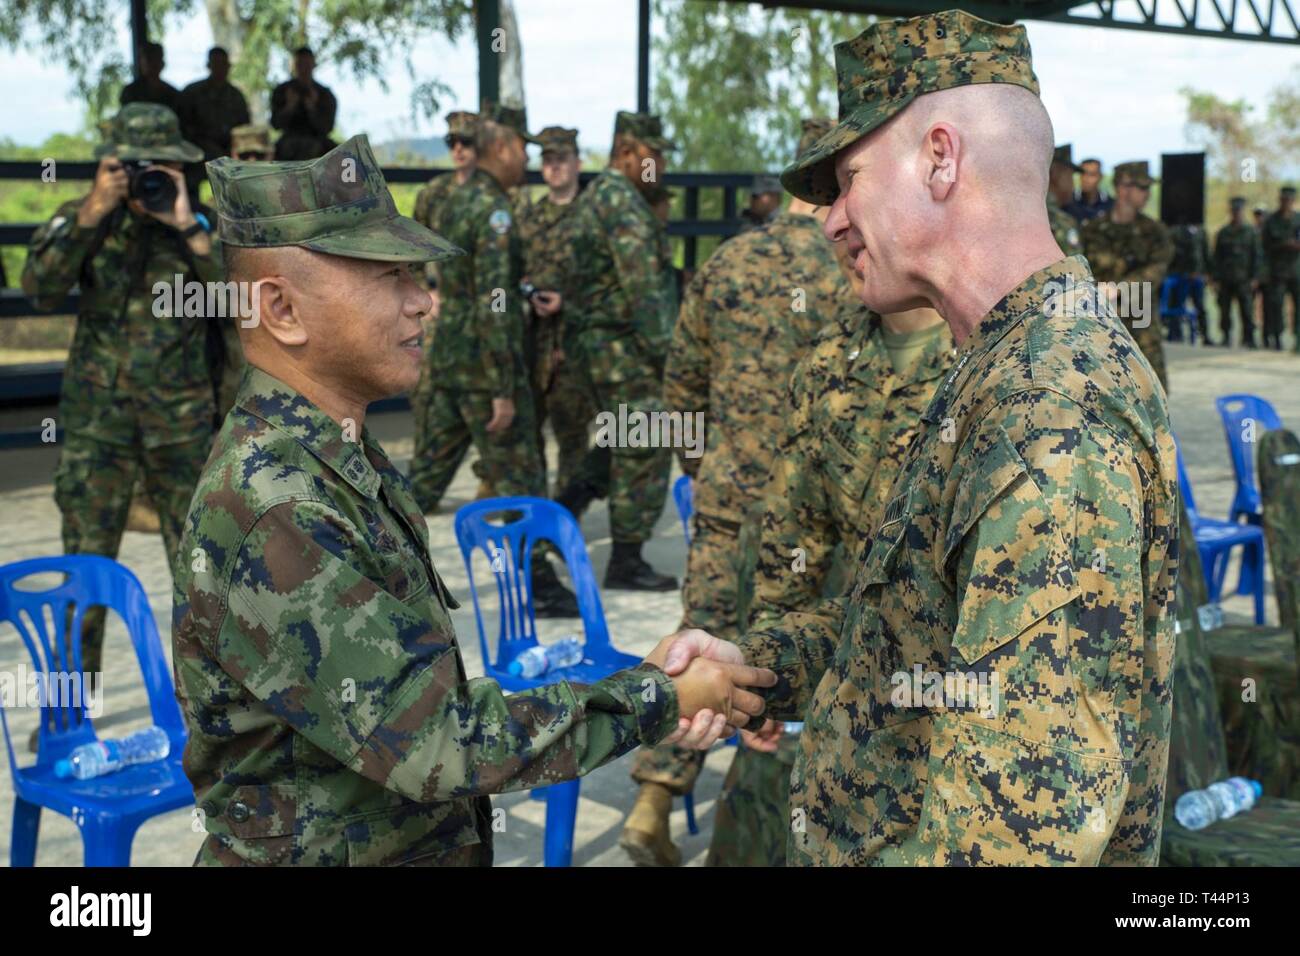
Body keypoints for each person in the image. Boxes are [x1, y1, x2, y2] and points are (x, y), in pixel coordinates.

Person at [660, 9, 1178, 867]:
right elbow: (918, 630)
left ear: (941, 158)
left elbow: (1019, 838)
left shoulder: (1051, 413)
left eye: (848, 180)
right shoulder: (999, 363)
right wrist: (755, 662)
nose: (828, 221)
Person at [175, 134, 776, 866]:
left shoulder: (330, 456)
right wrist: (654, 697)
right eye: (390, 276)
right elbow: (434, 742)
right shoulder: (276, 502)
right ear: (281, 309)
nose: (424, 302)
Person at [621, 122, 843, 866]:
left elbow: (681, 381)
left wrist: (698, 466)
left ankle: (653, 797)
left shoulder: (727, 261)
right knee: (788, 661)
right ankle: (764, 826)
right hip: (811, 513)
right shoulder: (859, 264)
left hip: (725, 495)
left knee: (701, 638)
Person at [21, 104, 222, 707]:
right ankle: (66, 710)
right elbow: (39, 288)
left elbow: (238, 306)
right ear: (111, 166)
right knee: (81, 577)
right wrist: (91, 211)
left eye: (159, 167)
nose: (147, 180)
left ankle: (213, 714)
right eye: (134, 168)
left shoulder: (197, 228)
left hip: (180, 425)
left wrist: (187, 224)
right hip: (96, 429)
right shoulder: (85, 220)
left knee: (201, 578)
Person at [404, 104, 576, 615]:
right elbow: (495, 303)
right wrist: (504, 385)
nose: (526, 157)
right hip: (486, 368)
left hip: (448, 361)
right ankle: (540, 582)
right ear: (500, 148)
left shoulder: (453, 198)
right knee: (522, 475)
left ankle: (374, 560)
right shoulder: (494, 210)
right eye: (522, 147)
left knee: (424, 478)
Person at [557, 111, 680, 591]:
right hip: (622, 349)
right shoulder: (623, 204)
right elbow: (646, 293)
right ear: (627, 152)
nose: (661, 164)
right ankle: (627, 559)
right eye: (654, 154)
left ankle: (567, 505)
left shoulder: (599, 198)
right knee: (649, 437)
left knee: (621, 435)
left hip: (598, 349)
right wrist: (672, 359)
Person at [517, 125, 595, 495]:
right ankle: (537, 513)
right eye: (547, 160)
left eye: (561, 159)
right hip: (535, 340)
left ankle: (566, 516)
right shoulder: (530, 218)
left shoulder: (594, 216)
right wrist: (526, 292)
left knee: (573, 436)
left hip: (577, 343)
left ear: (578, 163)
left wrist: (570, 301)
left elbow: (612, 282)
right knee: (529, 433)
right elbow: (511, 270)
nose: (554, 167)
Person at [1081, 160, 1174, 390]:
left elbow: (1156, 270)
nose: (1147, 194)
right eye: (1142, 188)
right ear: (1122, 188)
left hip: (1141, 326)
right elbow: (1079, 269)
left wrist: (1119, 288)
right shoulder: (1092, 230)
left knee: (1150, 392)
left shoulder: (1155, 231)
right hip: (1101, 326)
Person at [179, 47, 251, 169]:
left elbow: (244, 128)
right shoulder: (192, 93)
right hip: (198, 152)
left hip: (231, 152)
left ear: (228, 66)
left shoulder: (236, 96)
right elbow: (183, 127)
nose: (220, 68)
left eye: (223, 64)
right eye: (216, 64)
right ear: (208, 65)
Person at [1212, 197, 1264, 348]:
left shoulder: (1250, 232)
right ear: (1231, 212)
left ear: (1242, 212)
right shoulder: (1223, 232)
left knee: (1247, 310)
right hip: (1226, 278)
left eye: (1239, 211)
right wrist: (1215, 278)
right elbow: (1217, 257)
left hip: (1244, 278)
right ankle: (1226, 336)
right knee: (1225, 309)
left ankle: (1249, 338)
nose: (1236, 214)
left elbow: (1257, 256)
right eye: (1234, 211)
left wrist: (1255, 277)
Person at [270, 46, 337, 160]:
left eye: (307, 64)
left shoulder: (324, 94)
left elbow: (327, 128)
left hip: (317, 142)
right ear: (295, 66)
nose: (304, 69)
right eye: (300, 64)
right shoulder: (282, 91)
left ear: (313, 65)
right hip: (288, 142)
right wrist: (289, 107)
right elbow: (275, 124)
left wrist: (312, 109)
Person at [1261, 185, 1300, 351]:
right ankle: (1276, 337)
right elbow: (1263, 246)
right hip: (1277, 270)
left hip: (1296, 269)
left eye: (1290, 200)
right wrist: (1283, 244)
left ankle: (1298, 339)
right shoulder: (1271, 220)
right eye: (1284, 200)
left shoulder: (1298, 219)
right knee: (1276, 305)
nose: (1287, 203)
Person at [1166, 223, 1211, 344]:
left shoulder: (1201, 231)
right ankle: (1175, 333)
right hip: (1181, 276)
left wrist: (1207, 273)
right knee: (1177, 305)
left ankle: (1205, 335)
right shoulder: (1177, 231)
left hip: (1197, 276)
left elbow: (1205, 253)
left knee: (1200, 306)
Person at [120, 41, 182, 116]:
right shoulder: (130, 92)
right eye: (149, 59)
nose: (153, 63)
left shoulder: (173, 94)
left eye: (156, 59)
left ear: (162, 63)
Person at [1047, 145, 1082, 256]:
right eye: (1070, 176)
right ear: (1055, 174)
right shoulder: (1061, 221)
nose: (1072, 185)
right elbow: (1074, 270)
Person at [1064, 156, 1113, 223]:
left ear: (1100, 177)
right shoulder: (1067, 201)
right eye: (1082, 174)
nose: (1086, 179)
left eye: (1092, 175)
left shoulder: (1110, 204)